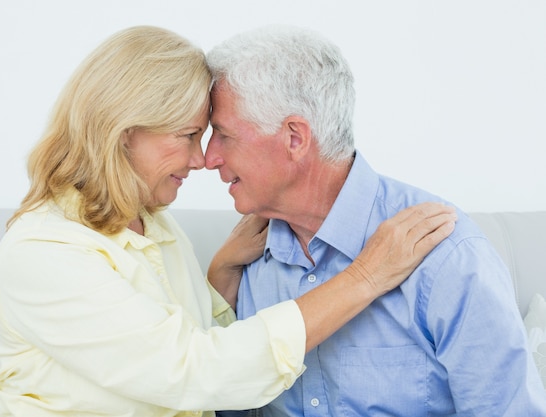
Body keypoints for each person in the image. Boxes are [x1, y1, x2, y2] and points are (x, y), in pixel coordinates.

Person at [0, 26, 456, 417]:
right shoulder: (44, 253)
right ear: (124, 133)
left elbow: (174, 336)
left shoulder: (152, 223)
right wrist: (365, 277)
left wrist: (217, 278)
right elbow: (195, 371)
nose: (202, 159)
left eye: (211, 136)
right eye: (189, 136)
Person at [205, 24, 546, 417]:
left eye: (223, 135)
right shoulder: (246, 258)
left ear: (295, 138)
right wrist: (217, 285)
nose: (208, 158)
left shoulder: (447, 256)